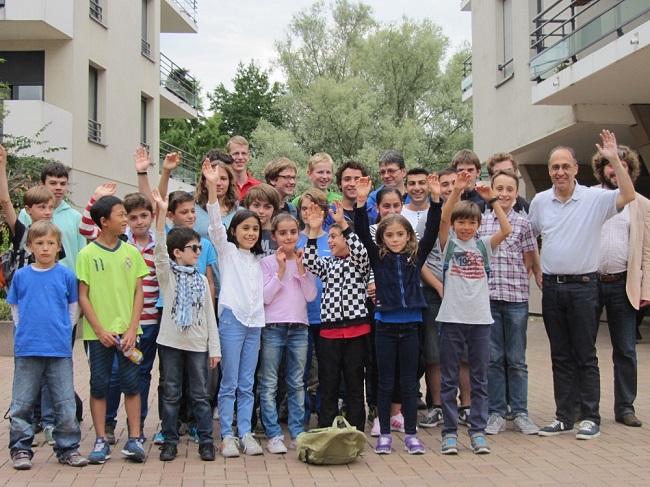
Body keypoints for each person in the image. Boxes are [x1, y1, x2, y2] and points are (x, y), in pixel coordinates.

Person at [530, 130, 636, 440]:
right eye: (554, 167)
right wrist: (537, 269)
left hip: (584, 288)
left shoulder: (594, 198)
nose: (559, 172)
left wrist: (614, 158)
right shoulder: (540, 201)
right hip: (552, 288)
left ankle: (591, 416)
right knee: (559, 355)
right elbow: (529, 237)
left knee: (585, 355)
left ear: (576, 168)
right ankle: (564, 416)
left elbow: (628, 196)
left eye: (565, 166)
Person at [355, 174, 441, 455]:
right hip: (385, 328)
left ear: (408, 236)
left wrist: (436, 199)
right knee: (384, 381)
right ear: (381, 237)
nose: (394, 239)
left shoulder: (415, 258)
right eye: (389, 235)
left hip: (410, 327)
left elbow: (432, 231)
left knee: (408, 383)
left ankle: (412, 435)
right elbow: (359, 230)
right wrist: (360, 201)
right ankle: (385, 435)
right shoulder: (377, 258)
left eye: (400, 234)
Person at [437, 171, 512, 455]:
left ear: (479, 224)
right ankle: (449, 433)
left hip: (480, 321)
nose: (465, 227)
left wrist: (492, 200)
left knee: (480, 378)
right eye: (461, 222)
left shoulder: (484, 246)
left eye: (471, 222)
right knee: (449, 379)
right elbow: (443, 218)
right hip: (452, 320)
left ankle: (478, 432)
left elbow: (506, 231)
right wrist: (456, 190)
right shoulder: (449, 245)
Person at [7, 221, 87, 470]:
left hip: (58, 348)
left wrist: (66, 330)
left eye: (50, 243)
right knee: (22, 402)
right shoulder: (21, 275)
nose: (45, 248)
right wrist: (23, 331)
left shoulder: (66, 275)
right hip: (28, 347)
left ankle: (68, 448)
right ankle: (21, 449)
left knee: (64, 401)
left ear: (58, 246)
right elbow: (15, 306)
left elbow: (74, 306)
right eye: (39, 243)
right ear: (30, 246)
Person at [76, 195, 149, 464]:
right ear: (104, 221)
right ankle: (100, 440)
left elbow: (138, 292)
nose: (126, 219)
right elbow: (83, 295)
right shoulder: (87, 254)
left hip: (129, 335)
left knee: (132, 386)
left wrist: (132, 329)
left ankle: (134, 439)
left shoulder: (131, 252)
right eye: (121, 215)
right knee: (99, 385)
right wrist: (99, 329)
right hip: (99, 337)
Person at [151, 189, 221, 462]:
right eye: (194, 248)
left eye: (200, 248)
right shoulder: (167, 276)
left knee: (201, 395)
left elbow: (209, 317)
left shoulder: (201, 281)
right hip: (171, 343)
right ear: (178, 252)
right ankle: (169, 440)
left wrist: (214, 348)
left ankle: (205, 441)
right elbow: (159, 250)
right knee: (171, 394)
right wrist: (160, 212)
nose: (198, 252)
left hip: (197, 345)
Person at [203, 159, 266, 458]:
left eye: (255, 228)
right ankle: (227, 434)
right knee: (228, 382)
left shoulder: (261, 260)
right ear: (234, 231)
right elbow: (215, 224)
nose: (250, 233)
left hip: (256, 324)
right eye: (245, 228)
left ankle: (246, 431)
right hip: (231, 321)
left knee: (247, 382)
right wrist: (212, 186)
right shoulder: (227, 252)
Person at [590, 143, 650, 427]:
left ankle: (625, 407)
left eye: (623, 167)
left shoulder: (642, 205)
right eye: (611, 166)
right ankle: (584, 406)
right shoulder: (589, 198)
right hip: (589, 282)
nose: (616, 171)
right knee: (584, 347)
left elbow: (648, 252)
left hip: (623, 284)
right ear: (602, 169)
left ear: (631, 171)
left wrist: (646, 289)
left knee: (625, 349)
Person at [479, 170, 539, 436]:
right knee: (493, 359)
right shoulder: (481, 222)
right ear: (491, 190)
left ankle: (521, 412)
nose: (503, 194)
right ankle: (496, 412)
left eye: (509, 189)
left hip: (516, 300)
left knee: (516, 359)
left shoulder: (524, 224)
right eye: (499, 188)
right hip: (488, 299)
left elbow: (529, 259)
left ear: (517, 193)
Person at [303, 199, 370, 432]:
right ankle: (326, 427)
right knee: (328, 382)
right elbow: (309, 262)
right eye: (329, 237)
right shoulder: (327, 264)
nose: (329, 241)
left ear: (346, 238)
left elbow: (360, 250)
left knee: (353, 383)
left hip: (356, 330)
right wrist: (313, 231)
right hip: (329, 331)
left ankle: (355, 429)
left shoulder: (359, 263)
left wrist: (343, 223)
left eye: (334, 236)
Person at [418, 168, 472, 429]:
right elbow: (419, 261)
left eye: (456, 184)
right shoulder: (429, 219)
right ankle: (437, 407)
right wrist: (439, 286)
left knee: (464, 355)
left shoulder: (472, 218)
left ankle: (467, 406)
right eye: (447, 184)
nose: (452, 187)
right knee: (434, 354)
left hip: (464, 296)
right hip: (434, 293)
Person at [260, 214, 317, 453]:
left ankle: (297, 431)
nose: (288, 237)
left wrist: (301, 269)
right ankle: (273, 432)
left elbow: (311, 295)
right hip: (274, 327)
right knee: (270, 382)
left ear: (299, 233)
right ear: (274, 236)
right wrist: (281, 271)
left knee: (296, 383)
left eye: (293, 232)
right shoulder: (266, 262)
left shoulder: (306, 260)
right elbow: (265, 297)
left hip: (299, 328)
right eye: (282, 233)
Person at [18, 161, 86, 271]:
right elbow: (20, 247)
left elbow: (82, 253)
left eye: (63, 184)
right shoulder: (26, 214)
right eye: (53, 183)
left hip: (66, 281)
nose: (59, 188)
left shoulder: (76, 217)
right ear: (42, 184)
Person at [324, 160, 376, 228]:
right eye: (347, 179)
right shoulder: (331, 213)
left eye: (357, 179)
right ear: (340, 184)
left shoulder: (372, 212)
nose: (352, 184)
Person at [242, 184, 280, 257]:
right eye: (256, 205)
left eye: (267, 207)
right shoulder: (241, 234)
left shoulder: (280, 234)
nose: (261, 211)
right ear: (247, 206)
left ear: (274, 210)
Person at [227, 136, 261, 200]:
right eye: (236, 153)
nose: (240, 157)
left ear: (248, 156)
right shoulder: (223, 187)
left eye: (244, 153)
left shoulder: (259, 187)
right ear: (228, 156)